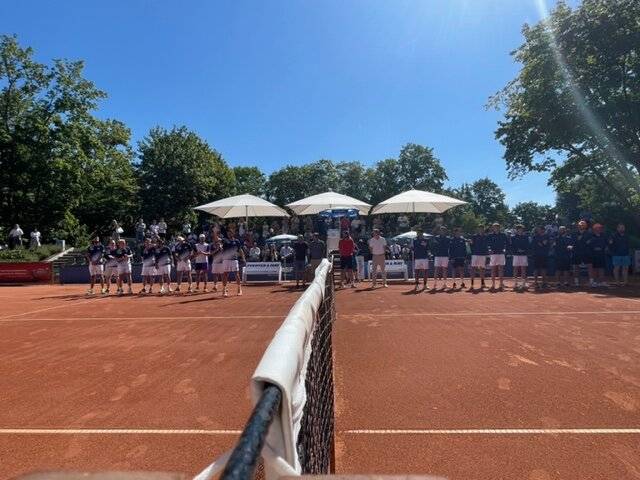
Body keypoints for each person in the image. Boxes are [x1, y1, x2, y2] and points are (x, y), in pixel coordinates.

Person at [222, 230, 244, 297]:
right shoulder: (225, 241)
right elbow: (222, 250)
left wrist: (243, 258)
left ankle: (239, 289)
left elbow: (240, 250)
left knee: (236, 274)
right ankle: (224, 290)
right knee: (225, 274)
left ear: (232, 233)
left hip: (234, 260)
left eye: (230, 233)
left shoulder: (236, 241)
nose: (229, 234)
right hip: (226, 260)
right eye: (228, 233)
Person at [486, 222, 508, 290]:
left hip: (501, 254)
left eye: (497, 227)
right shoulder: (490, 235)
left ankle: (501, 285)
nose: (496, 228)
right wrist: (489, 249)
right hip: (493, 254)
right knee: (493, 270)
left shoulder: (503, 235)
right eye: (495, 227)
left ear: (499, 228)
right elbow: (487, 244)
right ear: (493, 228)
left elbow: (506, 243)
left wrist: (505, 249)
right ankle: (493, 285)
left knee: (501, 269)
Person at [572, 220, 593, 287]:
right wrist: (580, 242)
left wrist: (580, 241)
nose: (581, 226)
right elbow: (573, 242)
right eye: (580, 225)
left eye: (583, 225)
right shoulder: (574, 234)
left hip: (587, 252)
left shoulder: (589, 234)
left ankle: (591, 282)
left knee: (590, 267)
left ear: (586, 226)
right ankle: (576, 282)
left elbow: (589, 243)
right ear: (578, 226)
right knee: (576, 267)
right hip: (576, 252)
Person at [510, 224, 530, 290]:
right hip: (516, 255)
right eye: (518, 229)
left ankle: (523, 284)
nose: (520, 230)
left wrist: (523, 250)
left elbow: (527, 246)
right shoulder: (513, 237)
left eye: (521, 229)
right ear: (516, 230)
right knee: (515, 269)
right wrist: (517, 250)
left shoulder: (526, 237)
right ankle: (515, 283)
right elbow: (512, 246)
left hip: (524, 255)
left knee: (523, 269)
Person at [432, 226, 451, 290]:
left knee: (444, 270)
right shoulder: (436, 237)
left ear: (445, 231)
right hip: (437, 256)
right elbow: (434, 245)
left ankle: (444, 284)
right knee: (436, 269)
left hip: (445, 256)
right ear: (439, 231)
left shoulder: (448, 238)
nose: (442, 231)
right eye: (441, 230)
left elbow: (449, 247)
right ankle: (435, 284)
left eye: (443, 230)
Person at [469, 225, 488, 290]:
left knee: (482, 269)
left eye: (482, 228)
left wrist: (486, 252)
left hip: (483, 255)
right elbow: (471, 245)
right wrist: (473, 252)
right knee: (473, 269)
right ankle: (472, 284)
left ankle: (482, 283)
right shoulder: (474, 236)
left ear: (483, 229)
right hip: (475, 255)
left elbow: (487, 246)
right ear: (478, 229)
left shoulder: (486, 236)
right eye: (480, 228)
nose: (481, 229)